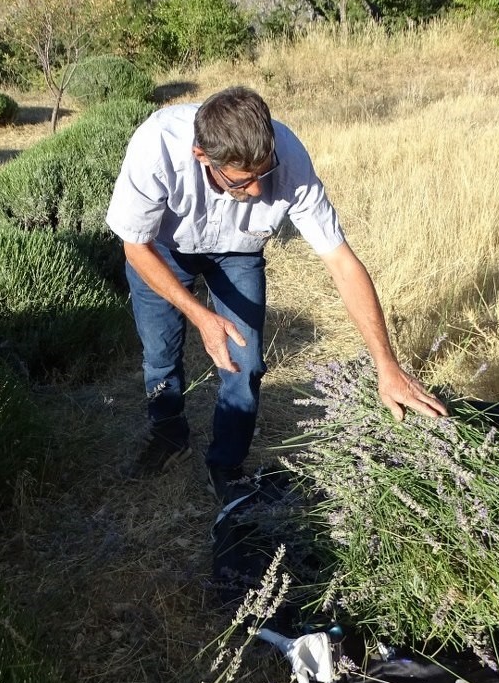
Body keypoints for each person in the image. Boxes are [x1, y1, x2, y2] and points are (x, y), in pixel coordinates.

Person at [106, 85, 445, 501]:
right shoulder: (155, 144)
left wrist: (385, 363)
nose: (256, 192)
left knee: (245, 363)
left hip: (238, 252)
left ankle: (226, 464)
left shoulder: (288, 156)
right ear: (202, 157)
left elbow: (342, 261)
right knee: (160, 353)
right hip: (160, 250)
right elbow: (134, 246)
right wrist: (202, 317)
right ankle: (169, 432)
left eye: (264, 174)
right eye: (242, 181)